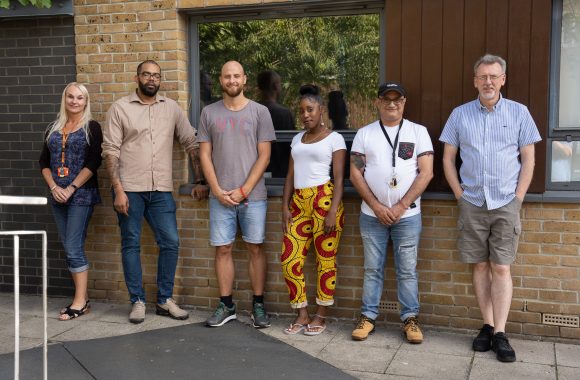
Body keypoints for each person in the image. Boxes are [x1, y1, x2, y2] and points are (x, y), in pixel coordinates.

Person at [440, 54, 541, 362]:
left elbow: (529, 159)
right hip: (472, 202)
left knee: (501, 266)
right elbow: (447, 159)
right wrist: (459, 194)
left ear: (502, 80)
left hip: (506, 202)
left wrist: (518, 197)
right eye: (483, 77)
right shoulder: (460, 115)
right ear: (475, 80)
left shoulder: (519, 113)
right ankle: (485, 325)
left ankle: (500, 332)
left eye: (493, 76)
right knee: (480, 265)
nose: (488, 82)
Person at [102, 60, 208, 324]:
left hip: (161, 190)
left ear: (160, 80)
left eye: (156, 76)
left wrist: (200, 180)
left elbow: (191, 142)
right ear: (137, 77)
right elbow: (110, 150)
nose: (152, 79)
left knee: (170, 242)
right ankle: (137, 301)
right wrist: (118, 190)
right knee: (131, 244)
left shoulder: (171, 108)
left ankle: (164, 300)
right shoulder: (120, 108)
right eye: (147, 75)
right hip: (130, 190)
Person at [350, 82, 433, 344]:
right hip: (371, 215)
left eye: (397, 99)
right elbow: (355, 172)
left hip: (407, 216)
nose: (392, 104)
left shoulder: (418, 132)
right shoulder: (365, 134)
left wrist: (400, 206)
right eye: (387, 99)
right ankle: (367, 317)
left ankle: (410, 320)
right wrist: (376, 206)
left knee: (407, 270)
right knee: (372, 268)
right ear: (378, 102)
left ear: (404, 102)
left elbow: (427, 172)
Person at [198, 61, 276, 329]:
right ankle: (226, 304)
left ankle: (258, 305)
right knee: (223, 249)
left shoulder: (260, 112)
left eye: (236, 76)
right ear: (221, 80)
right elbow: (204, 155)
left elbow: (265, 155)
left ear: (245, 79)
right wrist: (217, 190)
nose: (232, 80)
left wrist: (244, 189)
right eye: (227, 76)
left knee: (255, 248)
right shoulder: (208, 113)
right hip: (220, 197)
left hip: (253, 196)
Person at [281, 84, 346, 336]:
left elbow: (339, 178)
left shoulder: (335, 138)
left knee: (325, 260)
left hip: (325, 200)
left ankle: (320, 315)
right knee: (290, 258)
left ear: (322, 110)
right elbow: (289, 176)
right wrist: (284, 207)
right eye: (302, 111)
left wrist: (333, 211)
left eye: (310, 109)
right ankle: (302, 313)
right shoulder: (297, 139)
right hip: (298, 202)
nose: (305, 115)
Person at [39, 82, 102, 321]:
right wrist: (55, 187)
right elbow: (43, 163)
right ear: (64, 99)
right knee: (69, 248)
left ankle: (80, 301)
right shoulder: (53, 128)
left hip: (81, 195)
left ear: (86, 102)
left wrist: (72, 187)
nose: (75, 101)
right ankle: (82, 299)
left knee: (74, 247)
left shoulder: (91, 127)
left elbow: (95, 162)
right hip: (57, 196)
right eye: (70, 97)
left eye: (80, 98)